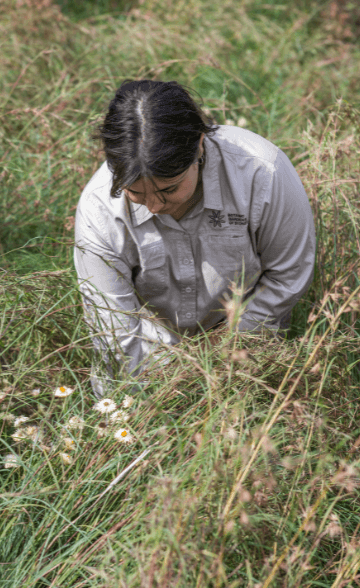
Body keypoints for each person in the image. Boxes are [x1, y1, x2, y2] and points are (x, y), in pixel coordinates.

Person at [74, 80, 315, 394]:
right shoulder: (99, 209)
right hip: (147, 348)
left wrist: (230, 344)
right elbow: (114, 330)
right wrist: (142, 399)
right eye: (136, 193)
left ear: (199, 145)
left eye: (169, 189)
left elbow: (289, 273)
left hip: (249, 344)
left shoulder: (262, 173)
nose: (155, 206)